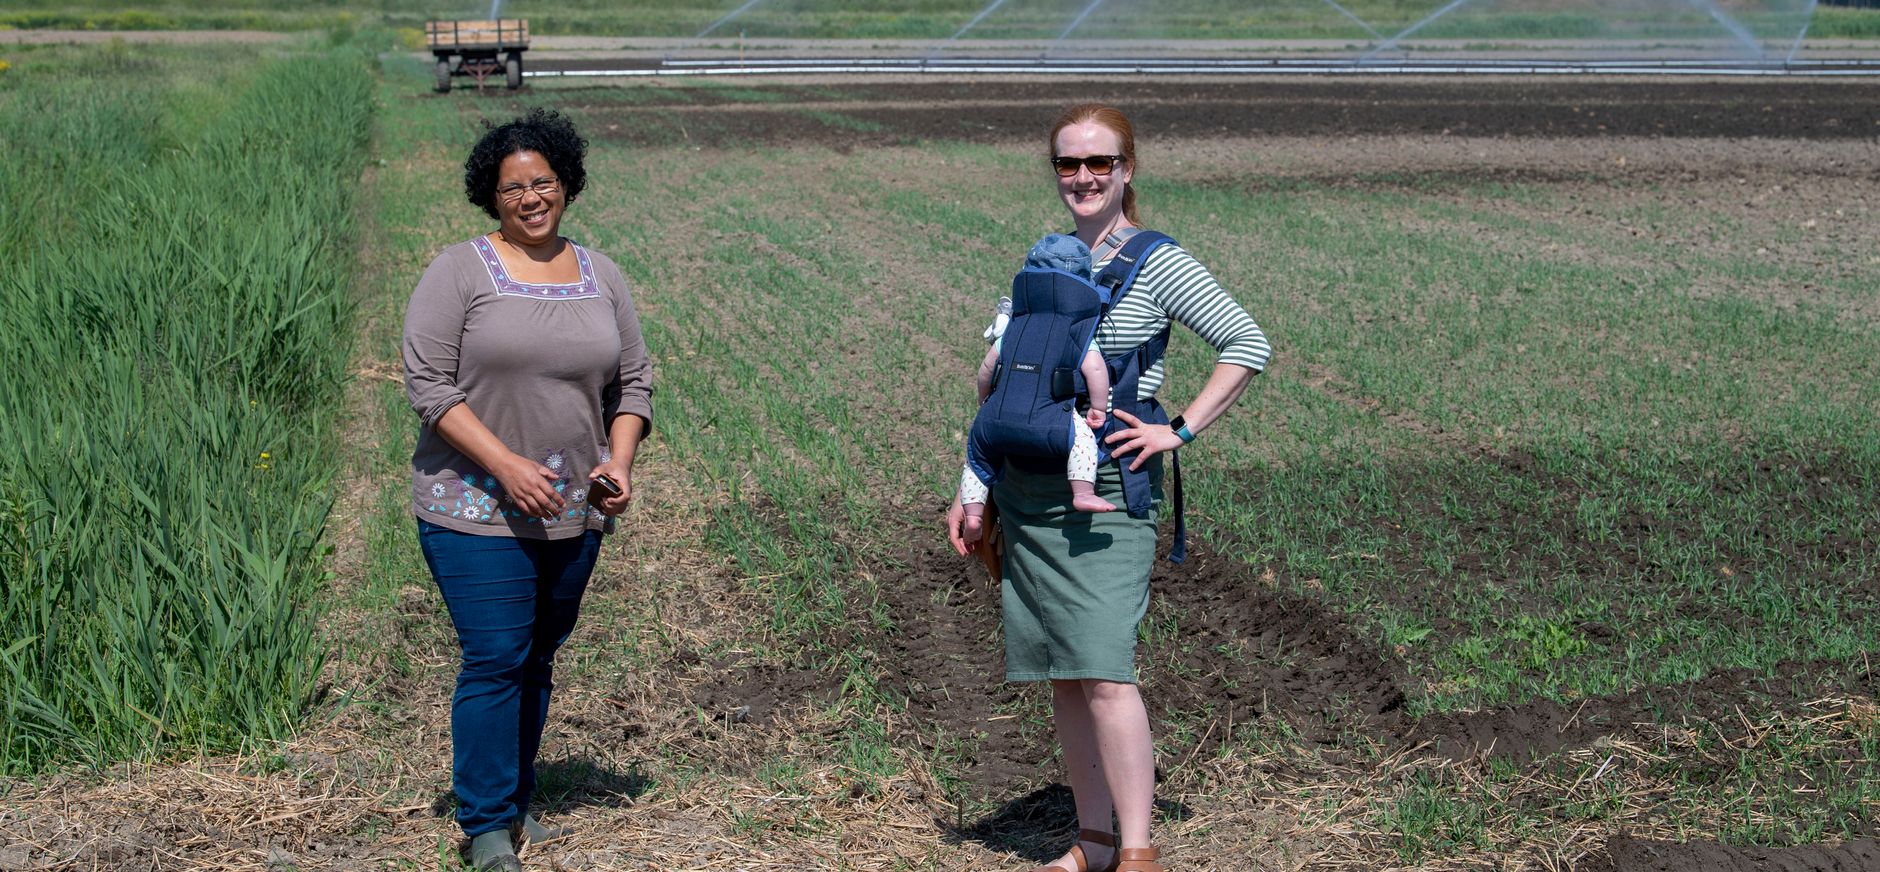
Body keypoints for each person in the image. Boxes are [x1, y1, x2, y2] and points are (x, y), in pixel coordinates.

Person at [945, 104, 1270, 872]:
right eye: (1068, 164)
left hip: (1106, 499)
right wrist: (975, 489)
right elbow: (1004, 381)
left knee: (1106, 672)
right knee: (1064, 673)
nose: (1083, 178)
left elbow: (1246, 342)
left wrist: (1177, 429)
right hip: (1028, 496)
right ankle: (1090, 842)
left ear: (1128, 169)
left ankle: (1137, 851)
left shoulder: (1158, 261)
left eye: (1100, 163)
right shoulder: (1044, 260)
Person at [402, 108, 652, 872]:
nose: (530, 197)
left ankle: (514, 799)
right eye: (513, 187)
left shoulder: (601, 273)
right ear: (492, 196)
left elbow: (633, 383)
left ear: (566, 184)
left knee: (538, 655)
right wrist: (507, 465)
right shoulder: (458, 270)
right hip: (472, 506)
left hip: (574, 510)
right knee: (495, 655)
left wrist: (619, 463)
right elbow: (428, 385)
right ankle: (484, 826)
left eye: (543, 181)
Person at [960, 233, 1116, 549]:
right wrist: (1098, 406)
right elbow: (1096, 369)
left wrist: (985, 403)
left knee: (977, 459)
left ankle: (974, 513)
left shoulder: (1013, 326)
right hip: (1052, 420)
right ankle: (1083, 493)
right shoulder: (1077, 328)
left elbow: (986, 370)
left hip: (997, 419)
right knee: (1082, 441)